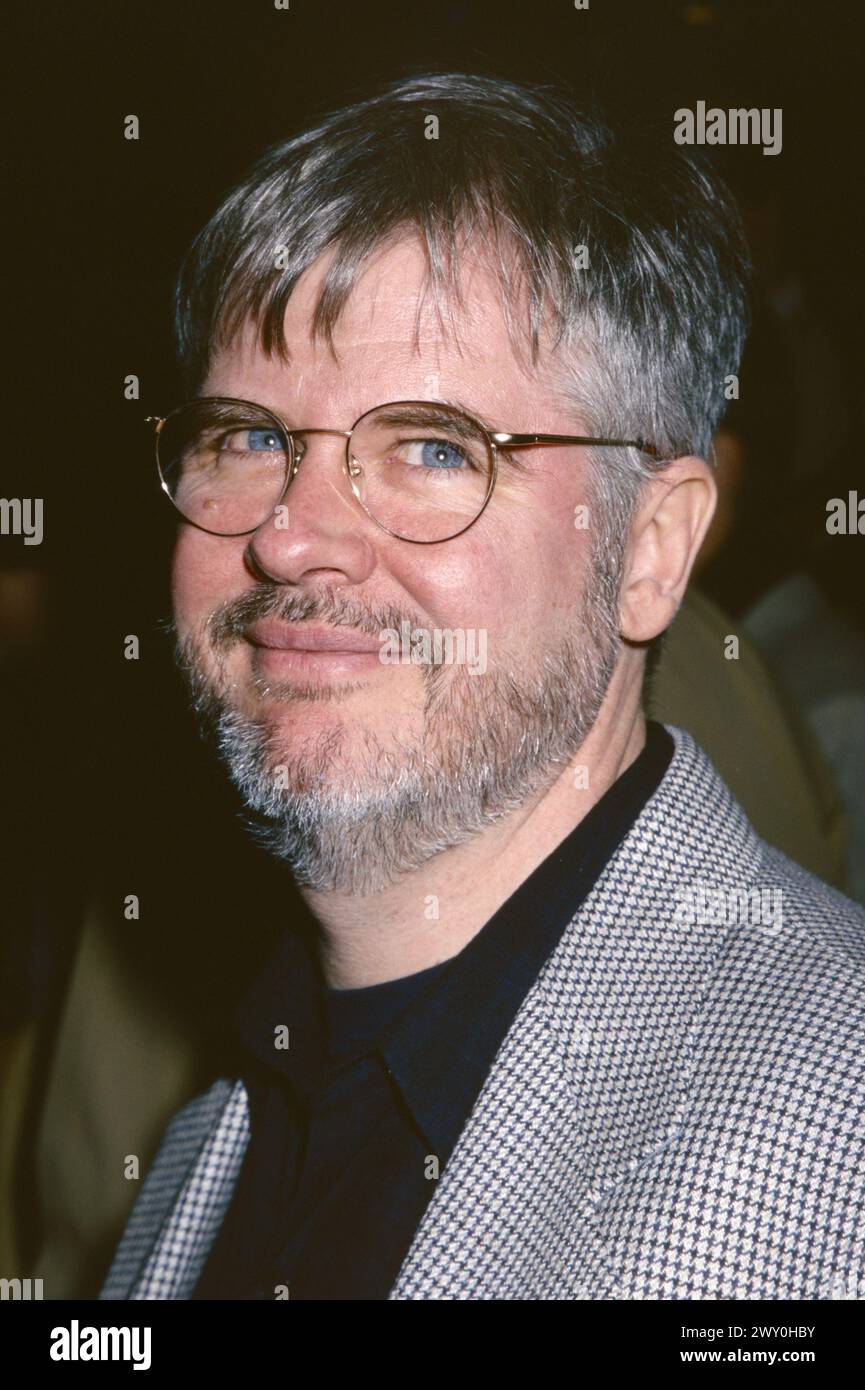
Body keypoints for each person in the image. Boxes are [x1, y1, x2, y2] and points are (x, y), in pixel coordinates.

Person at [100, 73, 865, 1302]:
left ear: (651, 550)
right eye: (246, 435)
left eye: (432, 448)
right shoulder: (209, 1144)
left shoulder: (835, 1140)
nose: (293, 538)